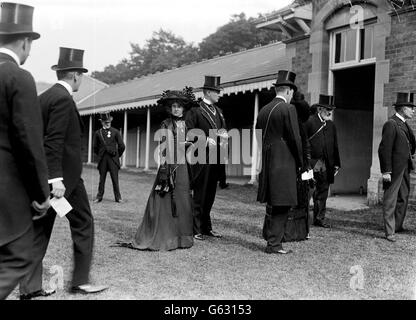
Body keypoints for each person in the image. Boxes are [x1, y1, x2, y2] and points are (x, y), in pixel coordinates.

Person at [19, 47, 108, 298]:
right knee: (83, 223)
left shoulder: (44, 97)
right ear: (77, 75)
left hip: (44, 176)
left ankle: (30, 287)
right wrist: (56, 179)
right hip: (63, 180)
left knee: (39, 230)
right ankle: (80, 281)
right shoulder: (62, 99)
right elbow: (53, 141)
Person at [0, 2, 50, 300]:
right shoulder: (19, 77)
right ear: (25, 41)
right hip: (8, 190)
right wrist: (41, 194)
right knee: (18, 255)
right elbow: (29, 144)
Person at [118, 88, 195, 251]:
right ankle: (164, 237)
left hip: (182, 166)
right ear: (170, 108)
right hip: (169, 165)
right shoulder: (166, 124)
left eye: (179, 106)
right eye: (173, 106)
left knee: (182, 200)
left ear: (183, 109)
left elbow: (186, 144)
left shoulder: (185, 125)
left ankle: (181, 239)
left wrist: (189, 145)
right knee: (164, 200)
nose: (176, 109)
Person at [256, 70, 302, 255]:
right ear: (289, 91)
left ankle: (272, 239)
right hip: (283, 163)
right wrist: (301, 163)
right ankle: (274, 244)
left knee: (274, 202)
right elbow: (295, 139)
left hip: (268, 161)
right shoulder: (288, 109)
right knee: (282, 203)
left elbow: (258, 137)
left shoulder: (263, 109)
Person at [186, 75, 228, 241]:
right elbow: (188, 133)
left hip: (216, 158)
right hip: (201, 157)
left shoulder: (219, 112)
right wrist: (204, 139)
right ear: (208, 92)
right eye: (217, 91)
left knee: (210, 194)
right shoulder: (195, 110)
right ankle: (195, 228)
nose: (219, 94)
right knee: (200, 194)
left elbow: (223, 129)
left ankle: (206, 227)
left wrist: (224, 135)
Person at [378, 92, 416, 242]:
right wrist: (386, 171)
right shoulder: (391, 124)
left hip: (405, 166)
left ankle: (397, 225)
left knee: (403, 197)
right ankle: (389, 231)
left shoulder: (404, 124)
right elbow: (384, 149)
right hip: (394, 169)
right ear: (401, 109)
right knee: (390, 199)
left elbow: (411, 144)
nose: (413, 110)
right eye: (410, 107)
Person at [304, 94, 340, 229]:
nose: (329, 112)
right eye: (327, 109)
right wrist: (306, 163)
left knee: (323, 191)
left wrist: (337, 163)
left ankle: (319, 218)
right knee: (308, 191)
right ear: (319, 109)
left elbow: (335, 145)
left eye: (331, 110)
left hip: (327, 164)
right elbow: (303, 142)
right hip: (312, 163)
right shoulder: (309, 122)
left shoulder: (331, 125)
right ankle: (303, 219)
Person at [283, 91, 312, 242]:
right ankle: (293, 231)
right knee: (296, 199)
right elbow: (301, 147)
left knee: (301, 198)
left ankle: (298, 231)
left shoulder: (299, 125)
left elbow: (305, 147)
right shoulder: (295, 125)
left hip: (300, 166)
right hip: (296, 166)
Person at [93, 112, 125, 203]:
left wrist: (117, 155)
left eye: (109, 122)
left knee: (115, 179)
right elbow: (95, 147)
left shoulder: (115, 132)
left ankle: (118, 198)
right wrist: (100, 155)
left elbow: (122, 146)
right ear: (102, 122)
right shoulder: (97, 133)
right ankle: (99, 197)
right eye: (105, 122)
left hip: (113, 159)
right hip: (102, 159)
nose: (107, 123)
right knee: (101, 179)